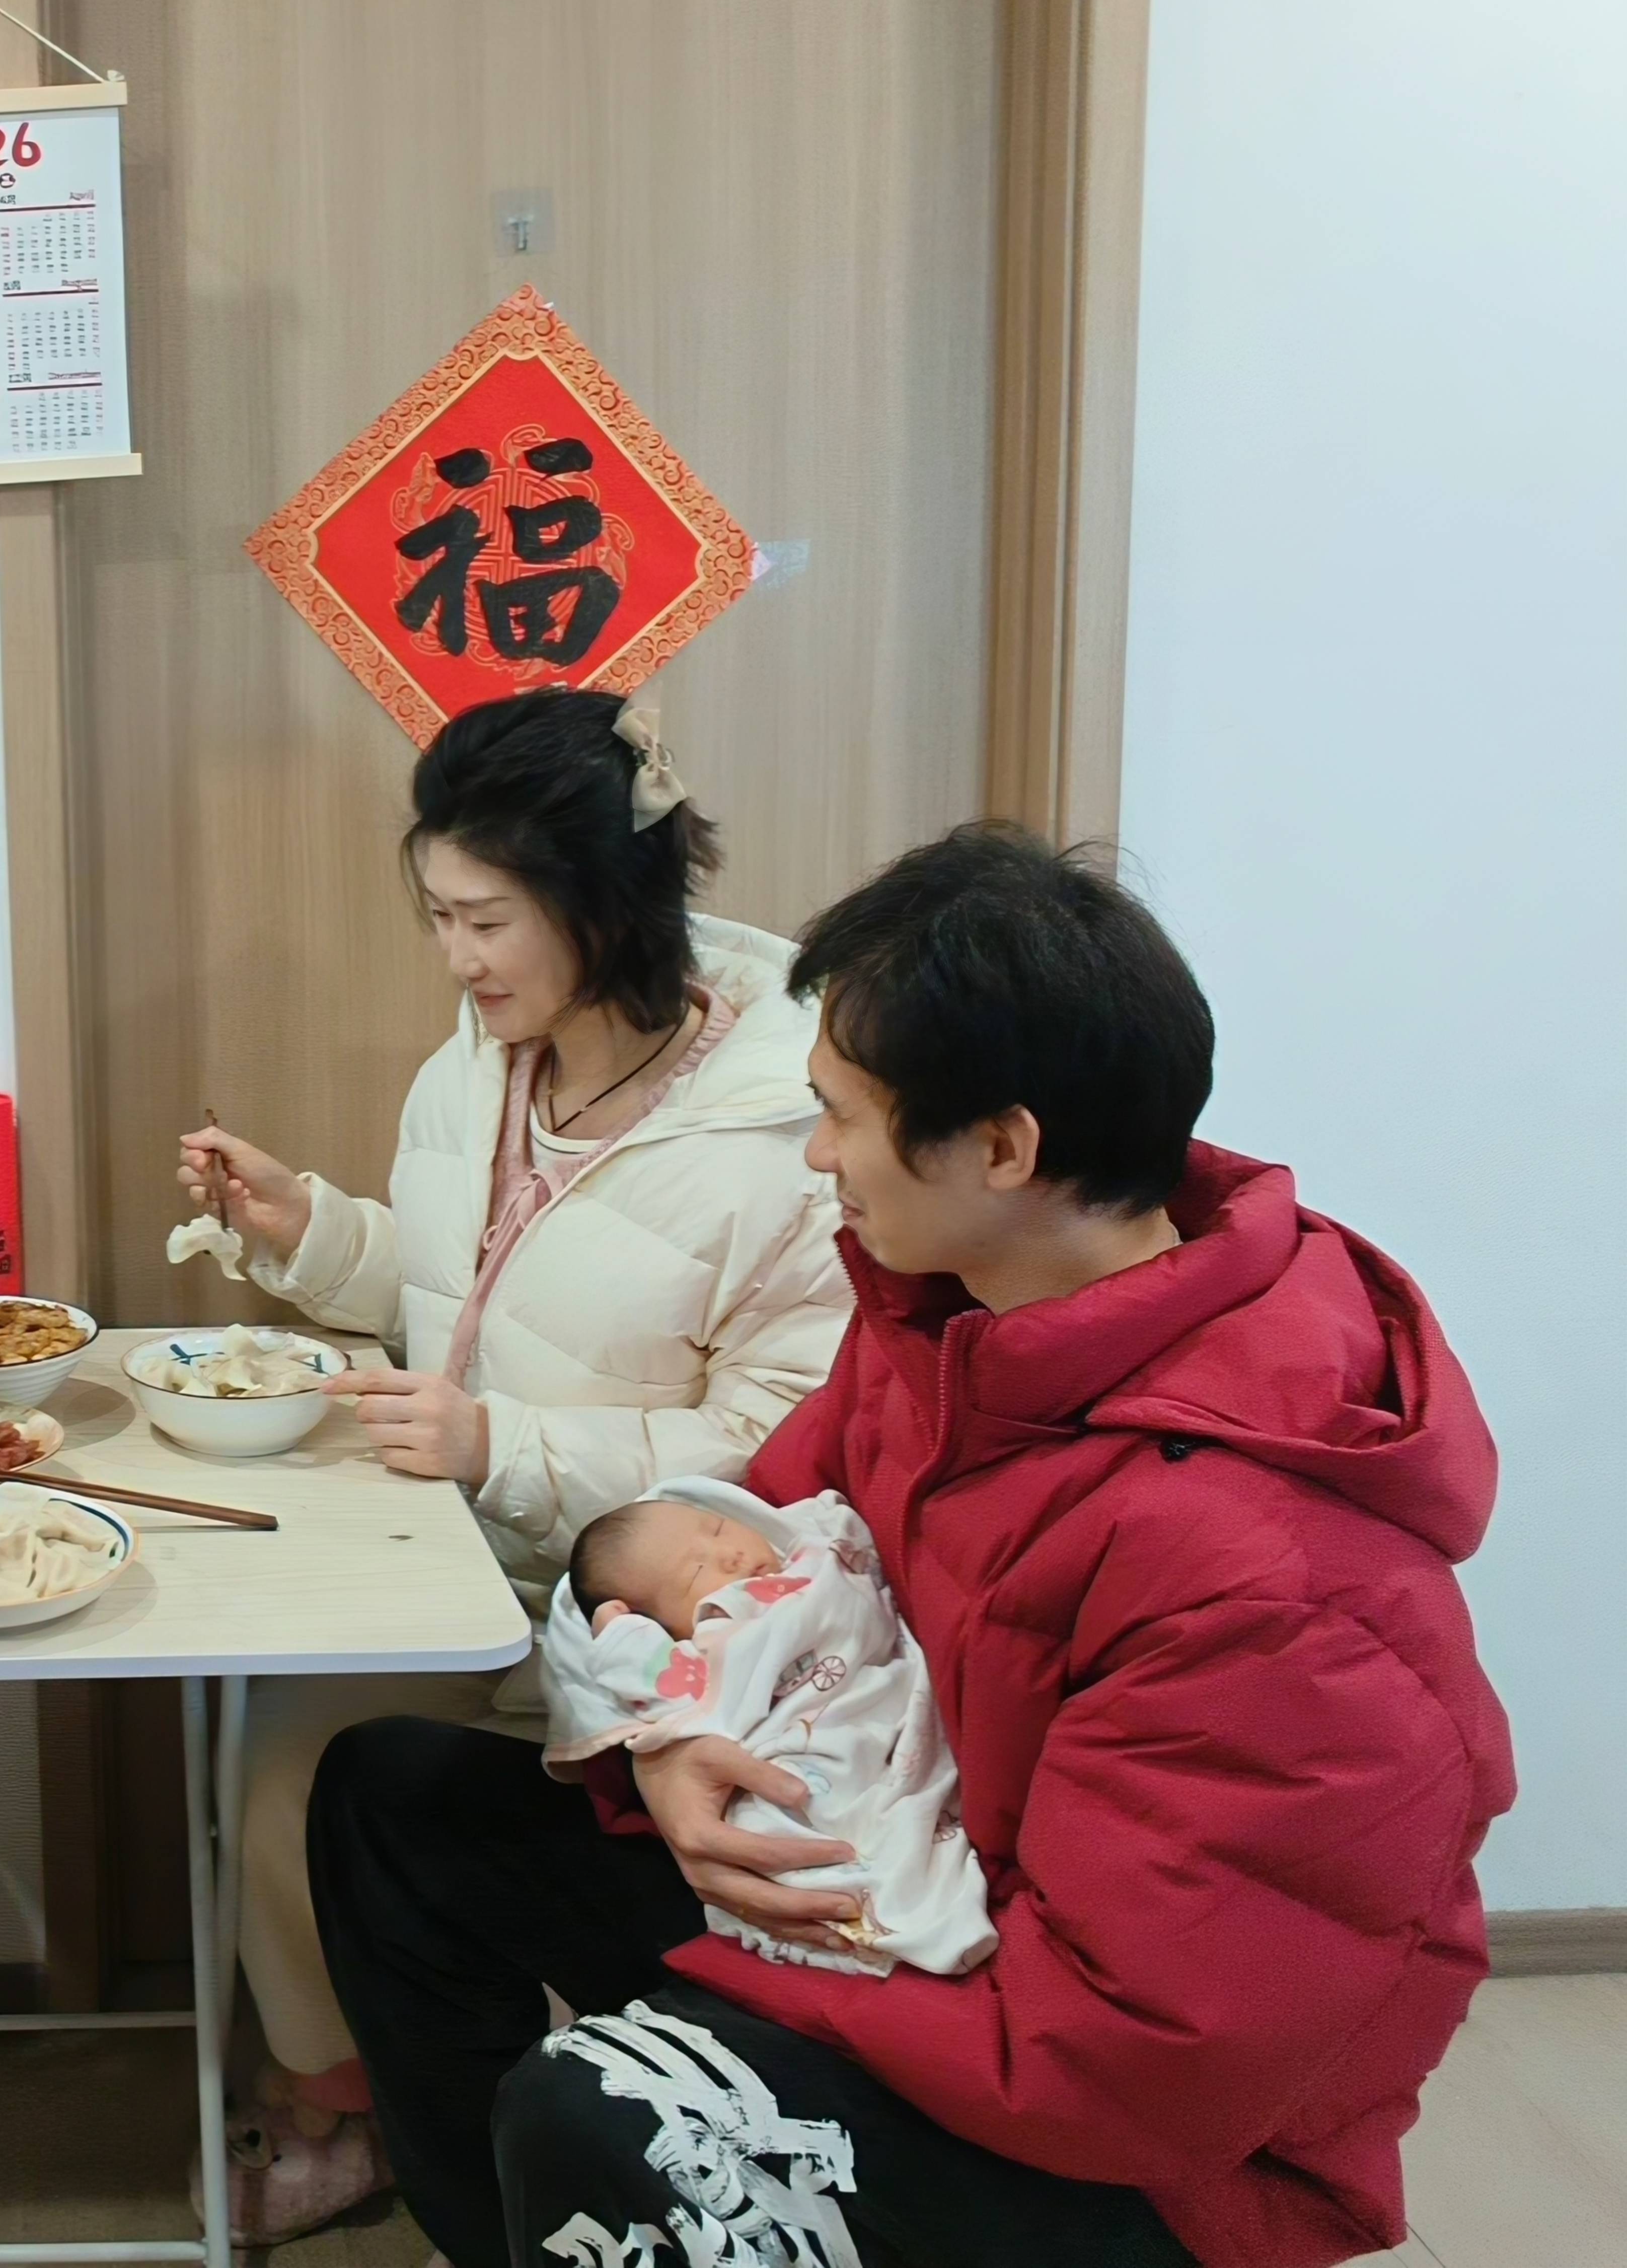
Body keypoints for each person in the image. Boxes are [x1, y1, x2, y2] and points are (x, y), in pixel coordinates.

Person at [311, 823, 1511, 2268]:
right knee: (395, 1801)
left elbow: (1131, 2058)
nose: (817, 1156)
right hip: (888, 1881)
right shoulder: (946, 1324)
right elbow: (734, 1546)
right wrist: (657, 1744)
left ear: (1003, 1146)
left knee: (613, 2102)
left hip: (1130, 2137)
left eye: (841, 1117)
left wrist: (720, 1988)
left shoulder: (1266, 1570)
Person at [173, 691, 849, 2240]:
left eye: (486, 920)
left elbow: (775, 1459)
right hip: (457, 1567)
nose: (457, 958)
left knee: (294, 1784)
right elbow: (462, 1298)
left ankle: (415, 2128)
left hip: (637, 1626)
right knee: (256, 1756)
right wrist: (308, 1232)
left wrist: (502, 1444)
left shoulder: (779, 1133)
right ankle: (357, 2104)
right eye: (438, 916)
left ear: (602, 899)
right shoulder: (483, 1060)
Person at [543, 1478, 996, 1981]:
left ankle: (916, 1899)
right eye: (696, 1572)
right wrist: (619, 1637)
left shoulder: (812, 1555)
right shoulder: (704, 1652)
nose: (731, 1555)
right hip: (803, 1751)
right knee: (806, 1824)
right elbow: (641, 1674)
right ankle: (895, 1910)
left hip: (891, 1705)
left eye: (718, 1528)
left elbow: (839, 1528)